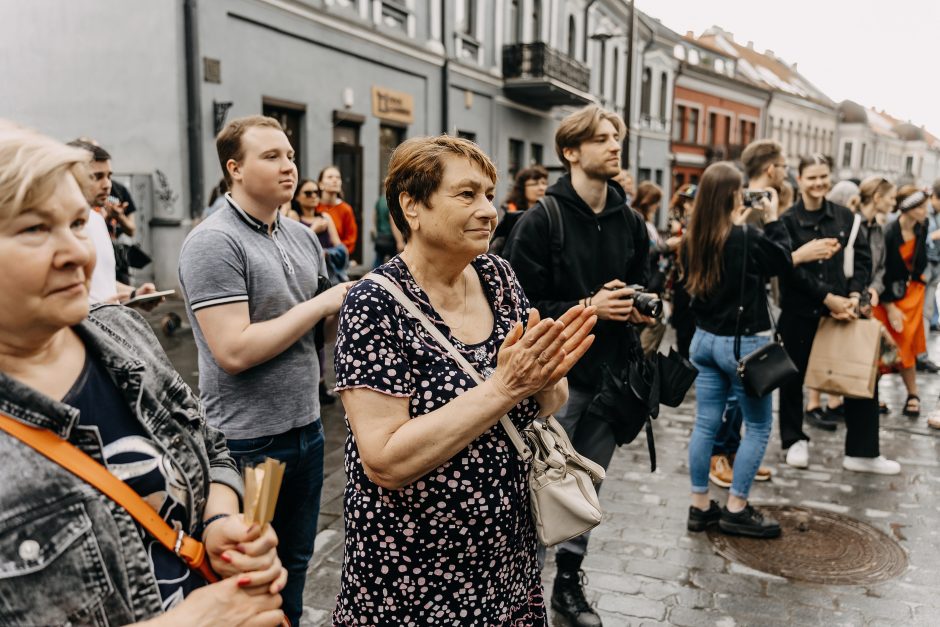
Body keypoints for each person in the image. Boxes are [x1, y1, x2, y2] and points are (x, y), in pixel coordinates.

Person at [0, 121, 286, 626]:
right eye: (34, 229)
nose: (76, 255)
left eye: (76, 224)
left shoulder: (122, 332)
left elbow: (210, 444)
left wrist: (219, 522)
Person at [332, 135, 597, 624]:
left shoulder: (498, 277)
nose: (488, 210)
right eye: (467, 194)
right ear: (411, 205)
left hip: (506, 559)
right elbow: (385, 460)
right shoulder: (375, 304)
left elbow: (546, 403)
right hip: (412, 575)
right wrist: (503, 388)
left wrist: (546, 375)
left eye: (489, 195)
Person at [177, 115, 351, 626]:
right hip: (249, 445)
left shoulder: (301, 235)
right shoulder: (214, 242)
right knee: (248, 579)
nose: (288, 167)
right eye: (270, 156)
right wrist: (321, 306)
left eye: (290, 155)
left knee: (295, 564)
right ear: (234, 168)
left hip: (307, 432)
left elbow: (322, 324)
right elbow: (234, 350)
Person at [505, 104, 650, 627]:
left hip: (612, 380)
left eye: (618, 137)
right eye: (603, 138)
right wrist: (589, 305)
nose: (615, 146)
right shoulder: (542, 219)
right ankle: (520, 592)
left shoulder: (631, 221)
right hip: (555, 381)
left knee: (587, 488)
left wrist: (639, 305)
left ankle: (568, 583)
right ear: (571, 151)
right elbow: (518, 308)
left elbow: (643, 285)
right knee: (538, 484)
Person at [680, 161, 792, 538]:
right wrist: (773, 217)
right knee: (758, 426)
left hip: (705, 342)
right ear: (732, 195)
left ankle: (699, 507)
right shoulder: (744, 236)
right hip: (743, 345)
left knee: (706, 424)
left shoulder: (692, 237)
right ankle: (736, 507)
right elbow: (782, 260)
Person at [778, 154, 899, 474]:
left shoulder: (847, 217)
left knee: (861, 374)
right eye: (811, 177)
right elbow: (789, 272)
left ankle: (863, 451)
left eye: (823, 177)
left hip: (843, 311)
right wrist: (827, 297)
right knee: (792, 377)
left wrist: (855, 297)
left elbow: (861, 261)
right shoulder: (788, 220)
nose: (818, 183)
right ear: (800, 180)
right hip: (801, 310)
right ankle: (793, 441)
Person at [707, 140, 789, 488]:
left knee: (736, 401)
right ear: (770, 168)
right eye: (783, 165)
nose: (786, 172)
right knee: (736, 399)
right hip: (738, 321)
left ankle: (737, 455)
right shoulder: (753, 209)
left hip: (741, 317)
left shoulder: (761, 202)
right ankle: (723, 458)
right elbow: (770, 260)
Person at [872, 186, 930, 419]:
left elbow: (918, 261)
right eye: (920, 207)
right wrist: (889, 305)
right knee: (882, 346)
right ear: (908, 209)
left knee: (907, 344)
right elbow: (882, 270)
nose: (925, 211)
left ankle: (912, 393)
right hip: (888, 296)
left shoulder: (922, 227)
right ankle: (872, 393)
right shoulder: (888, 233)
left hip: (911, 293)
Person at [858, 176, 896, 415]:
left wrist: (875, 288)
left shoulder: (877, 229)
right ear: (877, 198)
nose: (894, 203)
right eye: (891, 198)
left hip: (870, 297)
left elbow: (881, 266)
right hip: (854, 300)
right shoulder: (853, 225)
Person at [634, 181, 676, 357]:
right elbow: (644, 251)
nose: (658, 205)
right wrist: (666, 246)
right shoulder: (638, 219)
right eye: (656, 201)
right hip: (647, 283)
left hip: (655, 281)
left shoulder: (649, 222)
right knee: (652, 326)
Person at [490, 165, 549, 256]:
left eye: (544, 183)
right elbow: (495, 244)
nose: (541, 188)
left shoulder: (550, 212)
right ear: (522, 187)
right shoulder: (509, 210)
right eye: (535, 184)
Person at [669, 184, 698, 358]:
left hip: (693, 285)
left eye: (690, 202)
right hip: (681, 284)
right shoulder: (684, 223)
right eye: (685, 202)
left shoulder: (702, 225)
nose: (686, 206)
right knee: (682, 331)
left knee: (690, 331)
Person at [317, 165, 358, 257]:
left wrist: (332, 252)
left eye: (338, 177)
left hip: (335, 260)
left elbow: (350, 240)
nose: (335, 180)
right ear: (320, 184)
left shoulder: (345, 209)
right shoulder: (313, 207)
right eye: (330, 177)